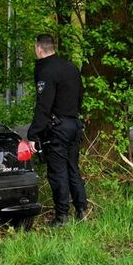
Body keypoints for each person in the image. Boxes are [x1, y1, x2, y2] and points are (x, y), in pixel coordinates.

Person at [27, 34, 86, 227]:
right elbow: (80, 97)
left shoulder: (46, 70)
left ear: (39, 48)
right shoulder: (71, 67)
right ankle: (81, 210)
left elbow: (43, 105)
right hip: (74, 124)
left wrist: (33, 134)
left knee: (58, 172)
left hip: (58, 128)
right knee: (73, 169)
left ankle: (62, 217)